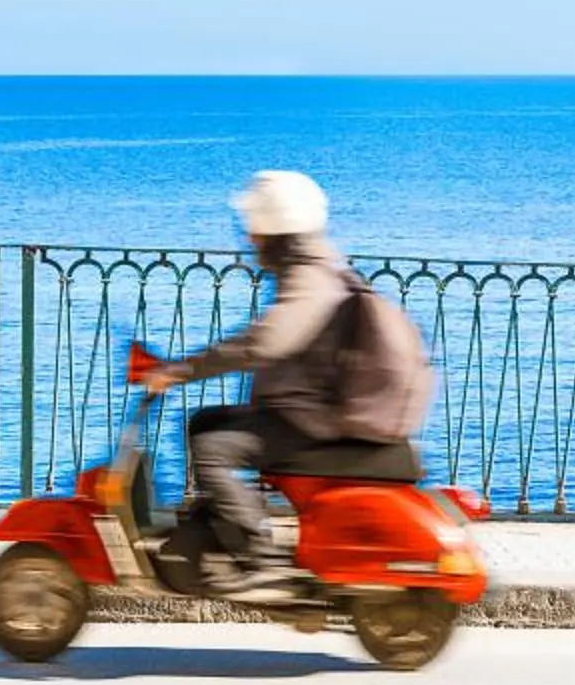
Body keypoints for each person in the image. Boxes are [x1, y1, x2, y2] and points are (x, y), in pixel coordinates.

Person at [138, 169, 418, 597]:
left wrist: (180, 370)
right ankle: (215, 530)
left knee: (212, 448)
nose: (250, 241)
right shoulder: (318, 265)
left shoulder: (309, 277)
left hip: (314, 422)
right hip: (309, 411)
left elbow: (266, 341)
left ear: (274, 233)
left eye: (255, 232)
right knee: (204, 422)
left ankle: (261, 557)